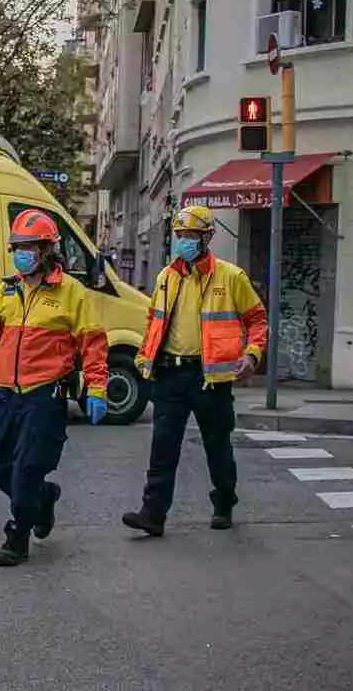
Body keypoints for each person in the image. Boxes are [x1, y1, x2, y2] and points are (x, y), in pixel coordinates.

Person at [122, 205, 268, 538]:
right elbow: (154, 322)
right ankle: (153, 513)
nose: (183, 242)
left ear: (207, 237)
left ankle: (224, 501)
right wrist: (145, 356)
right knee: (162, 447)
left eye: (190, 236)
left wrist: (252, 354)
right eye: (180, 236)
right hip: (170, 375)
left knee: (217, 446)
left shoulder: (230, 277)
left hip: (210, 379)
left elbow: (257, 319)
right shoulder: (166, 277)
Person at [0, 209, 109, 567]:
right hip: (6, 393)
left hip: (45, 394)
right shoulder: (9, 288)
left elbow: (93, 343)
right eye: (17, 246)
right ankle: (44, 499)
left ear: (48, 250)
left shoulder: (71, 293)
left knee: (25, 470)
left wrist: (97, 388)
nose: (21, 253)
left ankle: (18, 534)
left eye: (29, 246)